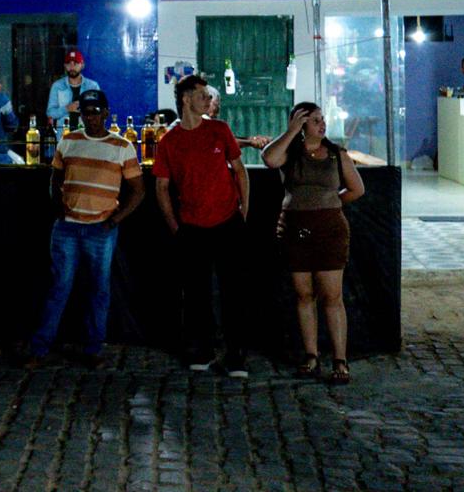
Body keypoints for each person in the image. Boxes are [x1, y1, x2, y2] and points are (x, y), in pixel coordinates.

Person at [22, 89, 144, 369]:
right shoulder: (69, 141)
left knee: (98, 290)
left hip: (101, 228)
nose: (90, 117)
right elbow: (55, 178)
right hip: (67, 227)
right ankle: (40, 349)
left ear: (106, 113)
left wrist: (114, 220)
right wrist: (59, 207)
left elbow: (138, 190)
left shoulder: (122, 146)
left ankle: (93, 349)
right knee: (59, 288)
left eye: (95, 112)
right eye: (86, 113)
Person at [152, 74, 252, 379]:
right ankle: (203, 349)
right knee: (196, 292)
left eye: (208, 96)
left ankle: (236, 354)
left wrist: (244, 210)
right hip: (192, 226)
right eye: (202, 95)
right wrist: (175, 225)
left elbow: (240, 170)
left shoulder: (219, 130)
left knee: (234, 290)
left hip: (227, 221)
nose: (208, 100)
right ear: (186, 100)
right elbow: (161, 186)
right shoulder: (169, 141)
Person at [264, 102, 366, 385]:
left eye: (323, 120)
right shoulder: (290, 152)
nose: (322, 125)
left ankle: (339, 359)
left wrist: (330, 204)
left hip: (329, 229)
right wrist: (290, 132)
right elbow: (269, 159)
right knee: (304, 294)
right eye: (315, 121)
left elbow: (357, 188)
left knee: (332, 296)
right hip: (296, 229)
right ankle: (311, 355)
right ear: (301, 125)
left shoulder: (336, 154)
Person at [44, 50, 99, 159]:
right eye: (69, 63)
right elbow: (50, 113)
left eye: (75, 63)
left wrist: (85, 109)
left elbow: (99, 113)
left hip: (87, 139)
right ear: (65, 66)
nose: (72, 67)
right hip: (64, 140)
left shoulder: (92, 86)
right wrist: (67, 108)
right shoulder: (57, 86)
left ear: (82, 65)